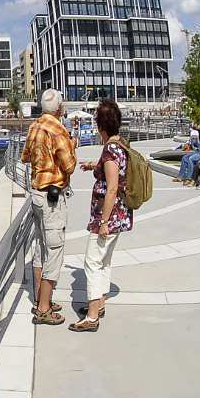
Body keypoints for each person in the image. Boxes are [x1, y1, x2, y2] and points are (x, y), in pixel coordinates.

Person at [70, 100, 133, 332]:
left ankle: (92, 316)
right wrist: (92, 166)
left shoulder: (110, 150)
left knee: (92, 262)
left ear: (101, 126)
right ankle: (101, 303)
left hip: (108, 216)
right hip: (120, 214)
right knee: (105, 260)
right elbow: (110, 172)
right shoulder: (120, 145)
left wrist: (104, 222)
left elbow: (113, 187)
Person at [21, 89, 77, 326]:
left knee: (40, 248)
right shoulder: (58, 130)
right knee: (54, 250)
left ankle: (40, 299)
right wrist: (72, 145)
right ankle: (44, 308)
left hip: (36, 194)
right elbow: (70, 165)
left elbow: (25, 157)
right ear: (60, 109)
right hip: (52, 197)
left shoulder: (34, 126)